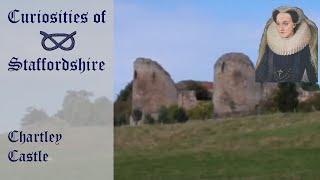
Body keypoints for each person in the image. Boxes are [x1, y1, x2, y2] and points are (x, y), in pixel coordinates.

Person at [256, 6, 318, 82]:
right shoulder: (269, 48)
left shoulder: (304, 50)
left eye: (285, 23)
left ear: (294, 25)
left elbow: (312, 78)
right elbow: (259, 76)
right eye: (278, 24)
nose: (281, 28)